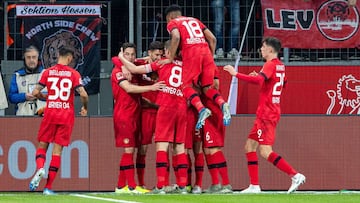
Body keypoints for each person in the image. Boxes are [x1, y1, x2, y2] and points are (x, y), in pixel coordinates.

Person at [223, 37, 306, 194]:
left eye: (263, 47)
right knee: (249, 147)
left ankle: (295, 175)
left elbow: (259, 81)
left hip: (267, 114)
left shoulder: (269, 64)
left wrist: (236, 74)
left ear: (270, 50)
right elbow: (282, 83)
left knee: (265, 151)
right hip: (268, 112)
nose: (261, 49)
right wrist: (262, 79)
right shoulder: (280, 66)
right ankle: (254, 186)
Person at [118, 40, 189, 194]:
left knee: (161, 146)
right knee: (179, 147)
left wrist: (121, 58)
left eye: (162, 53)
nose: (161, 55)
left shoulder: (162, 63)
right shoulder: (186, 64)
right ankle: (183, 186)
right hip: (182, 107)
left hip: (165, 107)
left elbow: (135, 69)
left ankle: (161, 186)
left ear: (167, 52)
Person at [28, 46, 89, 195]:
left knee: (42, 146)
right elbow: (84, 94)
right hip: (66, 115)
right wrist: (85, 108)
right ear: (69, 58)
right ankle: (48, 188)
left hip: (50, 113)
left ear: (58, 56)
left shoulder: (48, 72)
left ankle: (40, 168)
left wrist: (46, 97)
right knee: (57, 151)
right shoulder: (73, 74)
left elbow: (35, 92)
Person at [163, 4, 231, 130]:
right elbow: (213, 39)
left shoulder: (173, 23)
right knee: (206, 87)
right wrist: (209, 57)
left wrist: (170, 57)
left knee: (186, 86)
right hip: (206, 52)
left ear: (170, 17)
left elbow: (176, 37)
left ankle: (201, 109)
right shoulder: (195, 20)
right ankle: (223, 104)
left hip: (191, 53)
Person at [111, 42, 164, 194]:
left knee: (132, 150)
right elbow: (128, 88)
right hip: (124, 116)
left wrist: (124, 61)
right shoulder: (117, 71)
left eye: (132, 54)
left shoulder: (136, 68)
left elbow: (146, 59)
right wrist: (151, 87)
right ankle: (133, 187)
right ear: (123, 54)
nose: (130, 57)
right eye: (127, 54)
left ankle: (121, 186)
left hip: (135, 114)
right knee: (129, 150)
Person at [134, 41, 164, 189]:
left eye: (161, 54)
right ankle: (141, 184)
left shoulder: (165, 66)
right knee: (143, 148)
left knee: (165, 148)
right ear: (149, 53)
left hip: (162, 113)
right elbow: (119, 61)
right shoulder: (140, 64)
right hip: (146, 113)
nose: (159, 57)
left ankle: (164, 184)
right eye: (156, 54)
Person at [8, 46, 46, 116]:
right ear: (24, 59)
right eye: (28, 57)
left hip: (43, 115)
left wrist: (40, 95)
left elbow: (54, 96)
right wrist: (24, 96)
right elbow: (11, 97)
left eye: (34, 57)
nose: (31, 60)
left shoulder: (46, 74)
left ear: (38, 59)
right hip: (22, 116)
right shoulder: (17, 75)